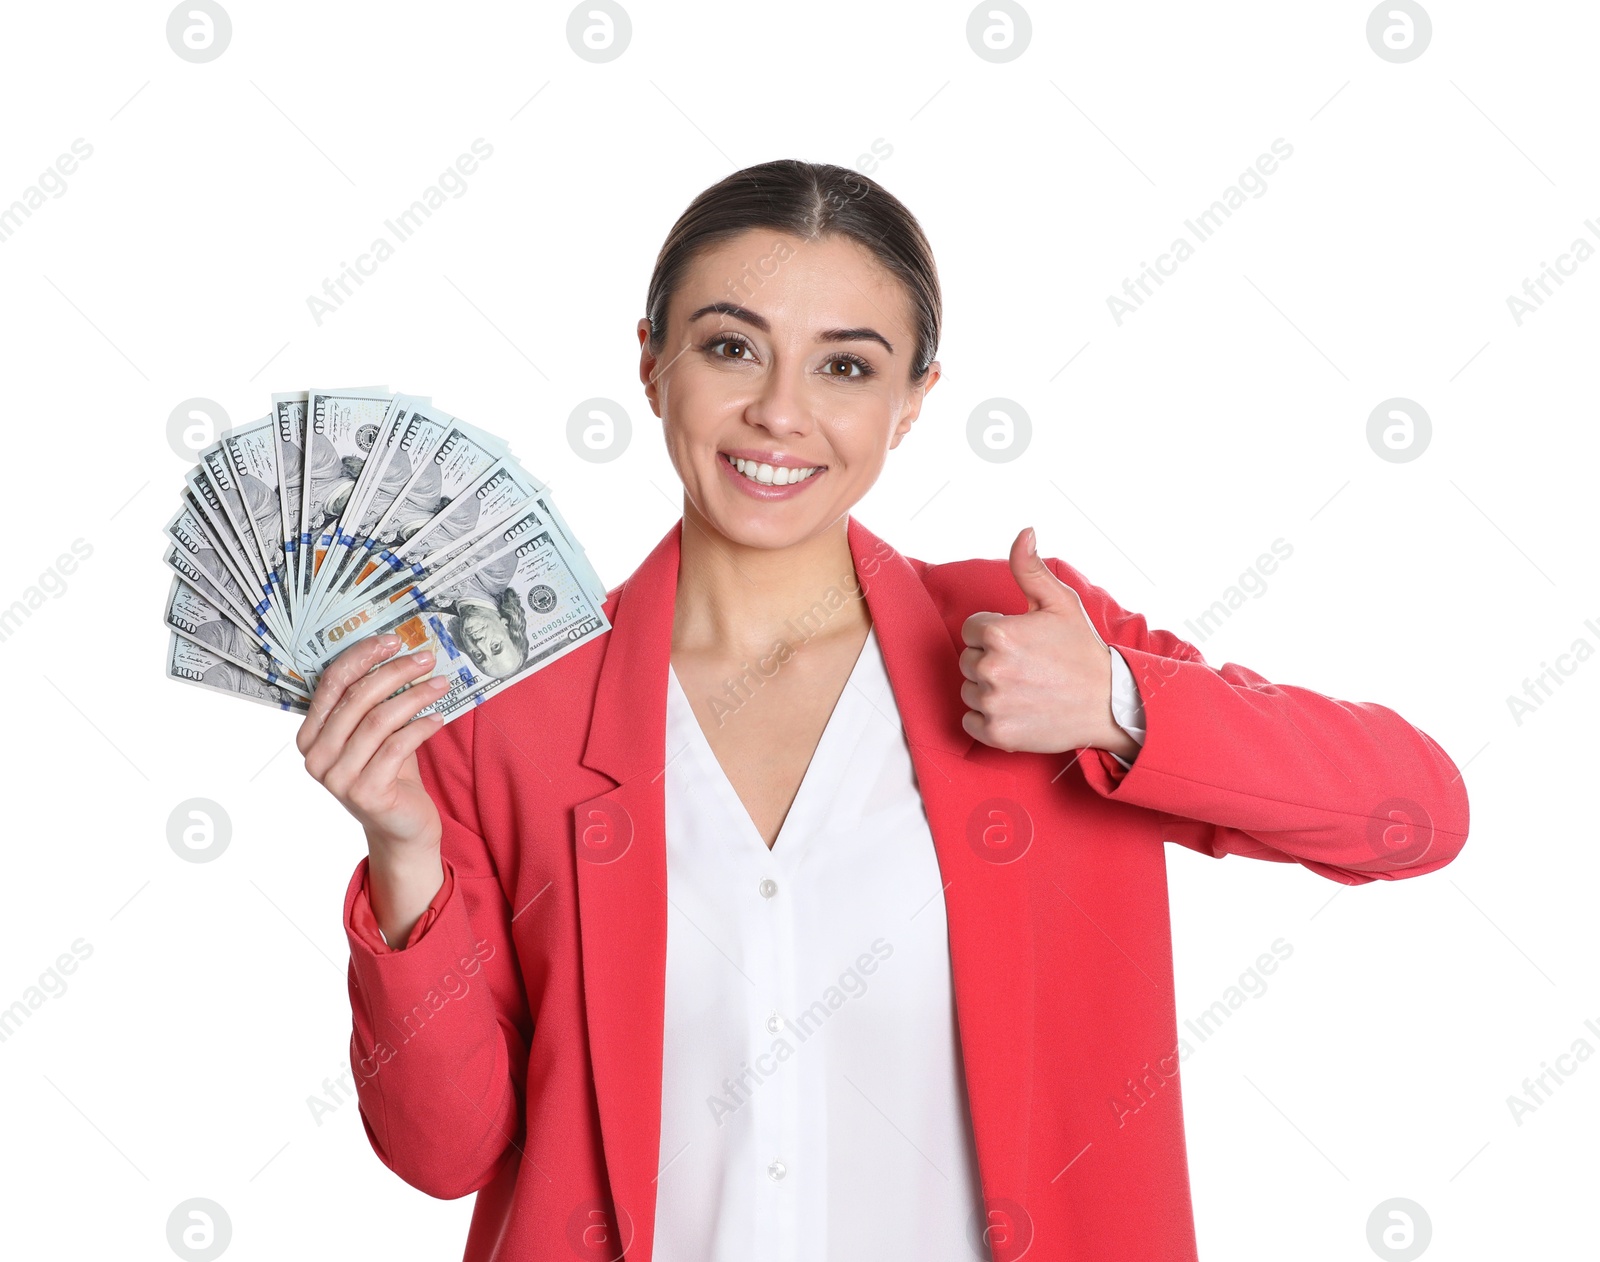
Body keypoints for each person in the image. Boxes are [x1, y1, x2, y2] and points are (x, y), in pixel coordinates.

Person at [295, 160, 1470, 1262]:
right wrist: (402, 848)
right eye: (728, 347)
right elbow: (441, 1154)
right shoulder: (509, 707)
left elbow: (1414, 813)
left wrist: (1117, 704)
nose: (778, 412)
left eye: (846, 366)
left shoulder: (1029, 638)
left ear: (914, 401)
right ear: (651, 362)